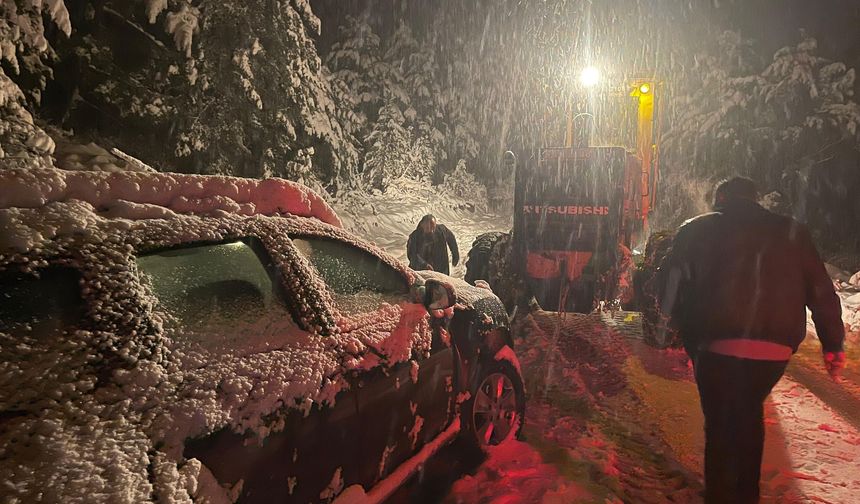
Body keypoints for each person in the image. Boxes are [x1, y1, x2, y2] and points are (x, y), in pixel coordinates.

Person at [658, 176, 846, 503]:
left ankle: (720, 495)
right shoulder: (792, 232)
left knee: (720, 424)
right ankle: (746, 495)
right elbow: (822, 292)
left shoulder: (697, 229)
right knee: (747, 410)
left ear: (721, 199)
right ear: (755, 199)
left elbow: (670, 282)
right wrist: (833, 345)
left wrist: (671, 321)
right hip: (773, 351)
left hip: (715, 346)